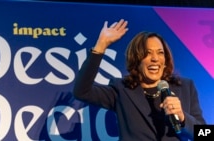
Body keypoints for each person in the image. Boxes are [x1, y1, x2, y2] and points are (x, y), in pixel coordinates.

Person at [73, 19, 206, 141]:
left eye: (160, 53)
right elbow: (81, 91)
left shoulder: (185, 87)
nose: (155, 58)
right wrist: (101, 46)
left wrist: (182, 117)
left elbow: (205, 133)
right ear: (136, 60)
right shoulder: (121, 89)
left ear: (166, 60)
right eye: (148, 53)